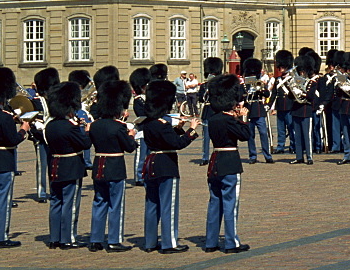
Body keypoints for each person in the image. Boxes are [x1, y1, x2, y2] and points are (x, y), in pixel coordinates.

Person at [141, 79, 199, 253]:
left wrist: (179, 128)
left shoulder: (149, 122)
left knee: (152, 204)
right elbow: (177, 144)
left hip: (151, 163)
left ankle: (150, 242)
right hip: (166, 164)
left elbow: (166, 139)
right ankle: (169, 242)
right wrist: (191, 130)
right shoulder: (162, 124)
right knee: (168, 205)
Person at [88, 79, 137, 252]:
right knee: (116, 204)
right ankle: (114, 240)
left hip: (98, 165)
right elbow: (130, 147)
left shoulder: (94, 125)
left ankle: (95, 239)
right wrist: (131, 135)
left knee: (99, 202)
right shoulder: (119, 127)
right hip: (115, 166)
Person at [203, 74, 250, 254]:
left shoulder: (213, 119)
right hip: (230, 162)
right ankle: (231, 242)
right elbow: (245, 135)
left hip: (215, 162)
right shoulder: (228, 119)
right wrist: (243, 118)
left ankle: (211, 241)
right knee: (230, 204)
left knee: (215, 203)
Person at [44, 81, 92, 249]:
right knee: (70, 204)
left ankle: (54, 238)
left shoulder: (50, 125)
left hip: (55, 165)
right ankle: (68, 238)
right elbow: (85, 144)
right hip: (71, 165)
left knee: (56, 201)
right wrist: (86, 130)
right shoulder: (69, 127)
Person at [0, 67, 31, 248]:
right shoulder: (5, 118)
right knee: (3, 201)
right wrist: (23, 130)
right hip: (3, 162)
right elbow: (12, 140)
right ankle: (0, 236)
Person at [31, 67, 60, 203]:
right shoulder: (37, 101)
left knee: (54, 164)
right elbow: (33, 119)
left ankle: (54, 189)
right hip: (41, 137)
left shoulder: (55, 100)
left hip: (54, 136)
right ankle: (41, 191)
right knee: (42, 165)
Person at [289, 53, 320, 165]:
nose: (301, 73)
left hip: (306, 110)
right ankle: (299, 156)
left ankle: (309, 156)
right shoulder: (295, 81)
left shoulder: (312, 82)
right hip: (296, 109)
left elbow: (311, 96)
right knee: (297, 136)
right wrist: (293, 90)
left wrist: (302, 93)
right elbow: (289, 96)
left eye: (303, 71)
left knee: (307, 135)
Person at [241, 59, 273, 165]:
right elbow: (239, 96)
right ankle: (252, 155)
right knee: (250, 135)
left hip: (259, 110)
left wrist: (260, 89)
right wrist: (246, 94)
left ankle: (267, 155)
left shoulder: (260, 83)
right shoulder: (244, 85)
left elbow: (267, 94)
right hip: (249, 111)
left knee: (263, 133)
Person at [270, 50, 295, 155]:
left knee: (291, 128)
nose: (280, 69)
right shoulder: (277, 80)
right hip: (280, 106)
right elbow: (274, 94)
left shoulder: (292, 79)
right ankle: (280, 146)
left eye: (282, 67)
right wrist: (269, 105)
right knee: (281, 129)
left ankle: (293, 146)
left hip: (290, 106)